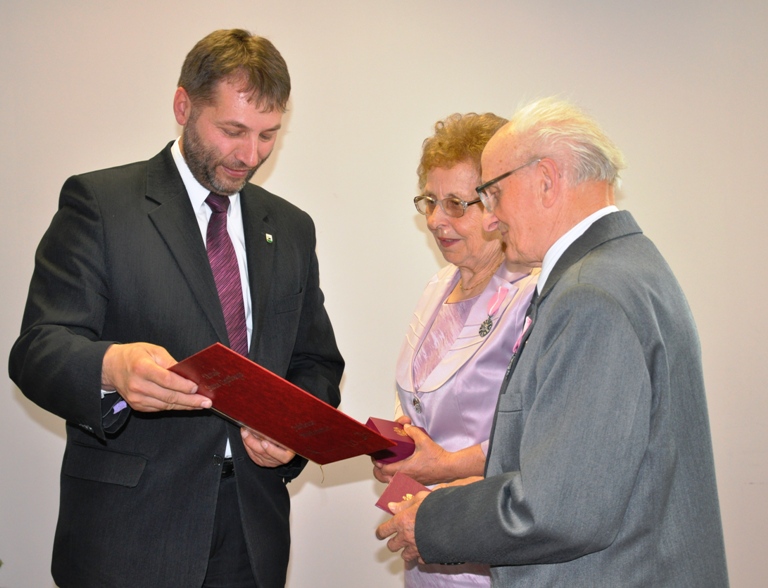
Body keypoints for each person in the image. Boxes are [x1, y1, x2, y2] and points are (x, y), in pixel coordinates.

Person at [8, 29, 344, 588]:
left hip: (252, 533)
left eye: (268, 135)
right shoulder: (101, 204)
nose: (251, 155)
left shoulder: (290, 227)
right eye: (232, 131)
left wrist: (291, 432)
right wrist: (111, 368)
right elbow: (38, 348)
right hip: (129, 536)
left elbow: (315, 363)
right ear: (183, 106)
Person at [376, 97, 729, 587]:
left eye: (493, 194)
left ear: (545, 180)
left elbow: (562, 508)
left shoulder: (590, 295)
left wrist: (432, 521)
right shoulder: (629, 262)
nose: (492, 217)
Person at [373, 113, 538, 587]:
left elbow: (538, 439)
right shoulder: (440, 284)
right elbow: (421, 395)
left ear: (497, 205)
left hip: (491, 541)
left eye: (455, 205)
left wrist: (442, 465)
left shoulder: (533, 296)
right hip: (427, 539)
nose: (434, 220)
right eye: (429, 201)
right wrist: (403, 442)